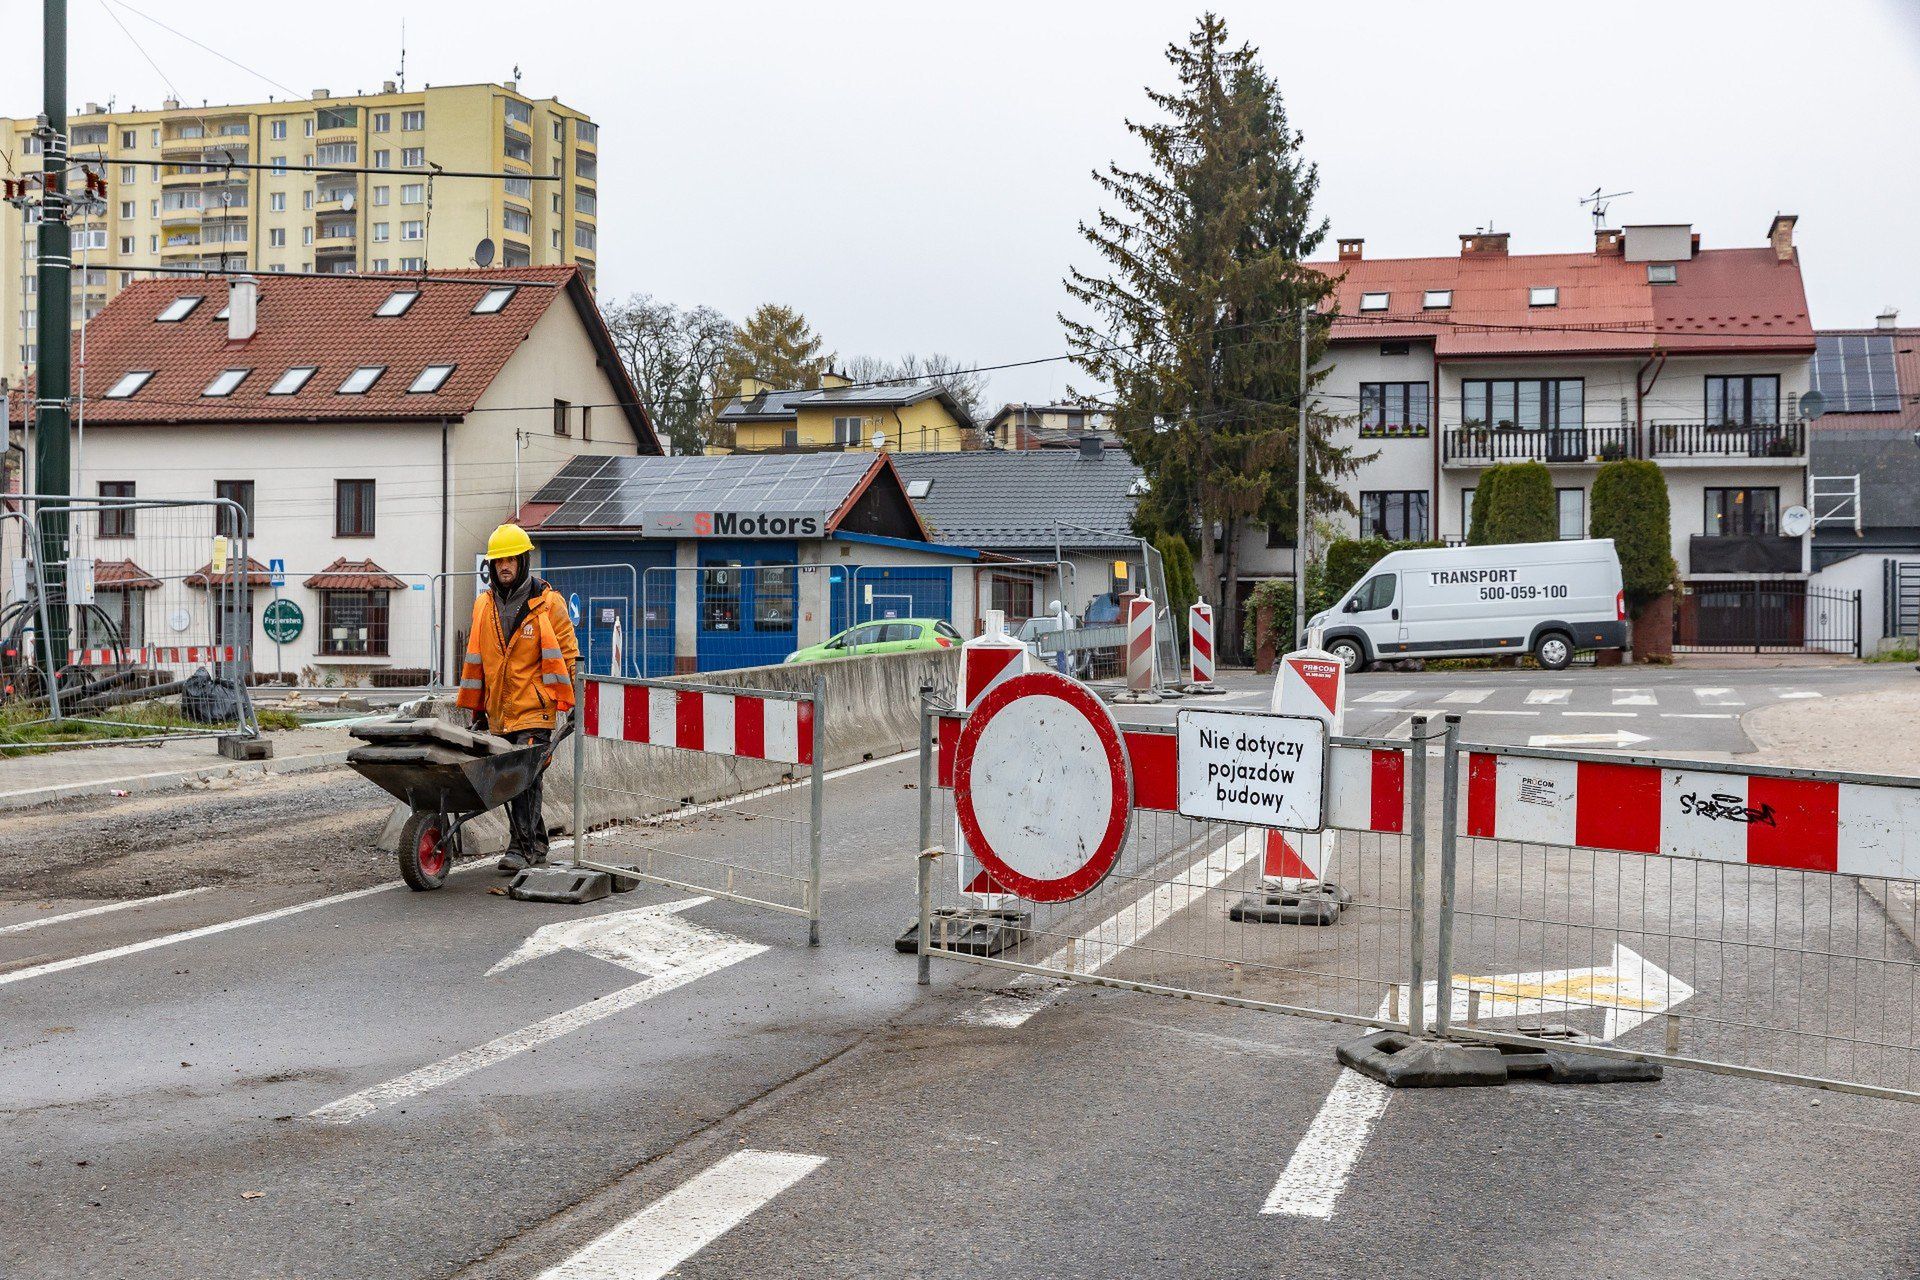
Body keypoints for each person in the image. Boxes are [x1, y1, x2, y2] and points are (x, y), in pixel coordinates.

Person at [455, 523, 579, 873]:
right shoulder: (484, 605)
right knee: (518, 780)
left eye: (510, 560)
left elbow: (569, 653)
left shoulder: (547, 604)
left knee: (523, 778)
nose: (504, 566)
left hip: (536, 709)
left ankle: (520, 849)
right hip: (499, 711)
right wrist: (478, 707)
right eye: (498, 561)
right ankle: (536, 844)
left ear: (523, 561)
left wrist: (578, 698)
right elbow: (477, 658)